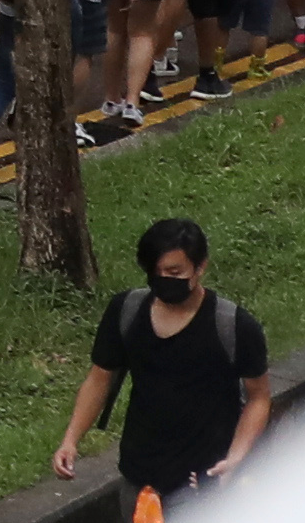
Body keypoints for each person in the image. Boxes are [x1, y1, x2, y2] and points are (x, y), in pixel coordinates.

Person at [55, 211, 275, 502]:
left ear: (200, 267)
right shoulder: (126, 312)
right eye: (156, 273)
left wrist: (234, 459)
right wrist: (71, 440)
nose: (164, 281)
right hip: (139, 476)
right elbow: (100, 378)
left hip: (203, 482)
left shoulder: (233, 326)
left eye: (175, 273)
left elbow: (258, 397)